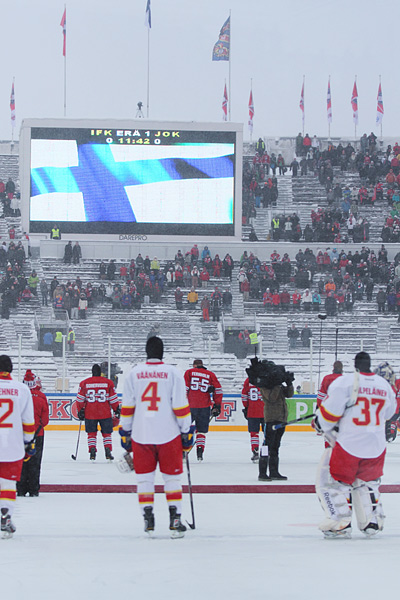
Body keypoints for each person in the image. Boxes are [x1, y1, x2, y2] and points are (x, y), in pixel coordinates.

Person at [313, 352, 396, 538]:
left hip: (349, 443)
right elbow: (389, 413)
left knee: (333, 482)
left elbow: (329, 414)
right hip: (376, 445)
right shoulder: (384, 385)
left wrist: (319, 423)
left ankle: (339, 521)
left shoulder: (346, 382)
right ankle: (372, 520)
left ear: (355, 365)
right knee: (368, 482)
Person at [119, 336, 192, 537]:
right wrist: (186, 430)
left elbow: (127, 407)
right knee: (172, 480)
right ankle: (175, 522)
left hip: (141, 435)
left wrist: (125, 431)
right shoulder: (172, 373)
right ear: (162, 352)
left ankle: (148, 520)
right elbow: (180, 406)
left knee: (144, 481)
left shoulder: (134, 374)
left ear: (146, 352)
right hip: (169, 435)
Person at [0, 355, 35, 538]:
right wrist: (29, 442)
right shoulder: (21, 389)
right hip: (11, 445)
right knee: (7, 483)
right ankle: (5, 514)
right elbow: (29, 422)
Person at [76, 364, 120, 461]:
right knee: (107, 433)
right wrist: (116, 409)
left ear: (92, 372)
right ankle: (108, 450)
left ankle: (92, 451)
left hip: (90, 413)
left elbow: (80, 400)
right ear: (101, 372)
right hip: (105, 412)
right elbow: (113, 399)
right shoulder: (108, 383)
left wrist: (80, 411)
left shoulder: (84, 383)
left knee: (91, 433)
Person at [258, 367, 294, 481]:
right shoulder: (264, 386)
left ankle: (274, 472)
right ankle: (262, 472)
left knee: (276, 446)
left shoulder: (278, 386)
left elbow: (289, 394)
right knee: (266, 445)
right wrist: (277, 384)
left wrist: (289, 384)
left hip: (281, 418)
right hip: (271, 419)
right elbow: (272, 398)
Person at [17, 370, 49, 497]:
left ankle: (21, 488)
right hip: (38, 435)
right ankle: (34, 489)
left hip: (20, 435)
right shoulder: (41, 397)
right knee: (35, 462)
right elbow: (45, 420)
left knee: (21, 461)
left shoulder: (19, 395)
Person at [184, 359, 223, 461]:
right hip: (204, 406)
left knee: (185, 428)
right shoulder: (210, 375)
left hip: (190, 405)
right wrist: (217, 405)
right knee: (201, 431)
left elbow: (185, 388)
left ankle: (183, 450)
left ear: (194, 365)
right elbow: (218, 390)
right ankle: (200, 450)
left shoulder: (189, 372)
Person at [241, 377, 265, 462]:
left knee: (254, 433)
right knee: (267, 433)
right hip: (266, 411)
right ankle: (266, 451)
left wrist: (246, 406)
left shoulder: (248, 380)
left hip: (252, 411)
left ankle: (255, 451)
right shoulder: (267, 378)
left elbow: (244, 395)